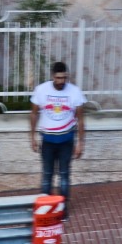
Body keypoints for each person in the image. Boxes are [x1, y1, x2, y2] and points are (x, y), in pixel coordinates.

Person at [30, 61, 87, 212]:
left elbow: (81, 119)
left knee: (64, 175)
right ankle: (46, 208)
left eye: (64, 78)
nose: (61, 81)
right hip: (47, 140)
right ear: (52, 76)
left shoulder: (74, 91)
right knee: (47, 174)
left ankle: (62, 209)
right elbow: (34, 114)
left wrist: (81, 143)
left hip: (66, 141)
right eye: (58, 78)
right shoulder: (41, 90)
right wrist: (32, 137)